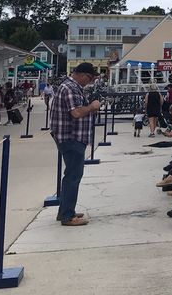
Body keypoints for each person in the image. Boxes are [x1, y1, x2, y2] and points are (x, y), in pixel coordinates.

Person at [50, 62, 101, 226]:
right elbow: (77, 112)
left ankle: (65, 210)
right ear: (81, 74)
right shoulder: (70, 88)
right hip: (72, 138)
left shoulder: (69, 87)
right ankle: (67, 216)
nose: (90, 81)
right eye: (90, 77)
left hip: (71, 138)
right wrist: (92, 106)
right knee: (73, 177)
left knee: (70, 176)